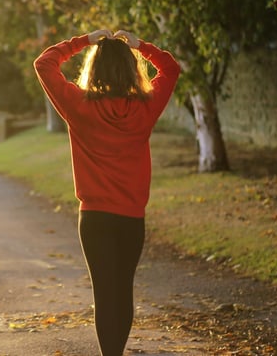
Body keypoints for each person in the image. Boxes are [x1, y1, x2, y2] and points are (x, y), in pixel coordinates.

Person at [33, 28, 181, 356]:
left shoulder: (79, 106)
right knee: (122, 290)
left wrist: (84, 40)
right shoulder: (145, 108)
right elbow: (171, 69)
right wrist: (140, 46)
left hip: (95, 219)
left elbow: (45, 63)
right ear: (131, 69)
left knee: (104, 293)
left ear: (94, 69)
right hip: (131, 218)